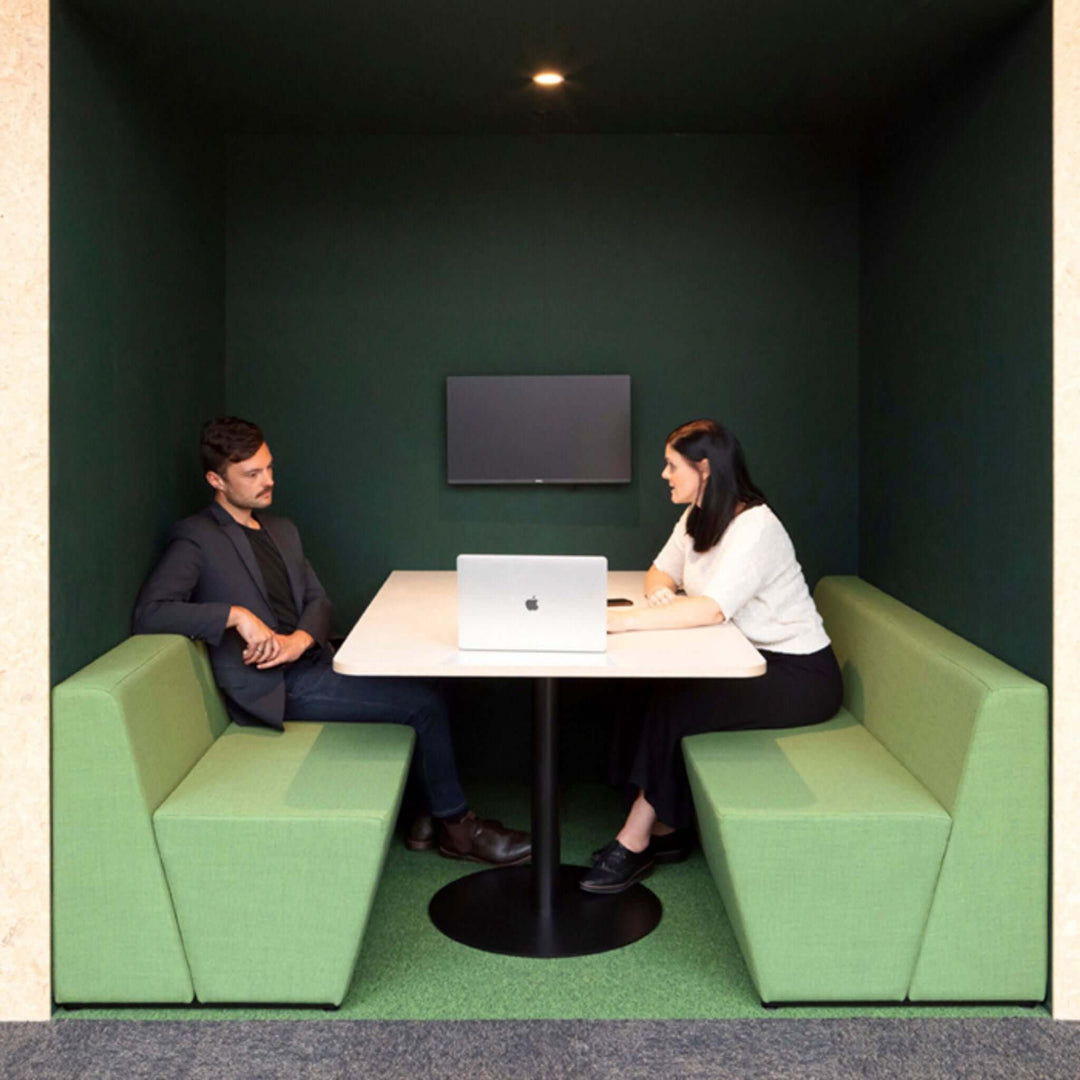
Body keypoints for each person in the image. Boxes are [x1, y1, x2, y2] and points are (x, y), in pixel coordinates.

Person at [133, 416, 530, 867]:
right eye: (252, 474)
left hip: (312, 661)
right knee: (422, 704)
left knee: (433, 681)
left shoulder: (282, 530)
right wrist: (234, 616)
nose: (269, 481)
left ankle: (425, 818)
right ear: (215, 480)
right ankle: (459, 829)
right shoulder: (197, 538)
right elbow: (151, 611)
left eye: (269, 467)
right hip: (273, 687)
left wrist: (299, 640)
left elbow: (318, 600)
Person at [580, 418, 842, 894]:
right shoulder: (697, 516)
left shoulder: (755, 526)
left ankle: (634, 842)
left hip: (796, 674)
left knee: (677, 706)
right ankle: (667, 829)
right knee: (648, 691)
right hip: (734, 657)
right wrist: (661, 596)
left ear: (704, 468)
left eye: (671, 465)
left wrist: (625, 621)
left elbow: (711, 609)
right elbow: (660, 572)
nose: (664, 475)